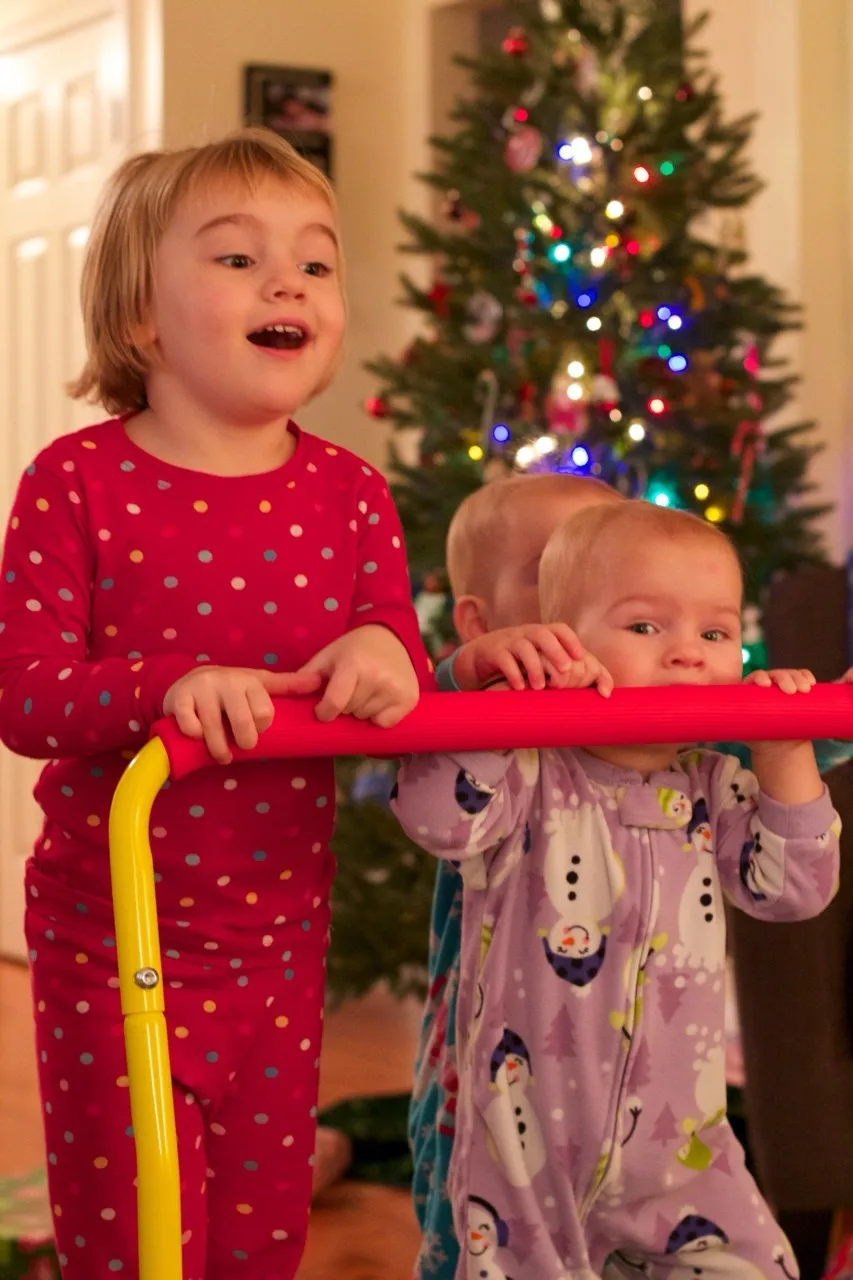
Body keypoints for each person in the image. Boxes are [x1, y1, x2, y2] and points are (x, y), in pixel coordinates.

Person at [0, 128, 432, 1280]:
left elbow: (395, 644)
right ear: (141, 316)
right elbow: (29, 695)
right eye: (237, 259)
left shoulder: (349, 494)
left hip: (282, 948)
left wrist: (389, 654)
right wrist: (166, 688)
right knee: (135, 1237)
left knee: (258, 1236)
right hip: (113, 942)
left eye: (316, 262)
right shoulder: (75, 483)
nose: (288, 281)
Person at [392, 500, 841, 1280]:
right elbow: (437, 816)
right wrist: (517, 700)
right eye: (644, 627)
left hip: (683, 1150)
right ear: (564, 638)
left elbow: (793, 890)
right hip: (523, 1153)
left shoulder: (713, 781)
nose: (686, 656)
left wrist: (782, 750)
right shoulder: (529, 772)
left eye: (715, 633)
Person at [409, 473, 624, 1278]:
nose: (588, 583)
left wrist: (798, 713)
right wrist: (465, 673)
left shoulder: (665, 714)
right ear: (480, 620)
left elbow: (773, 747)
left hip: (628, 1079)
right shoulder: (473, 711)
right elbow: (411, 717)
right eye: (555, 563)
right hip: (486, 1084)